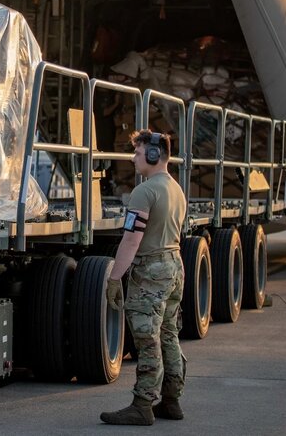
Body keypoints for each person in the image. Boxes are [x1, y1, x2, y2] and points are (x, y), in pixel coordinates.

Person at [100, 130, 187, 426]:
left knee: (147, 340)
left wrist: (115, 277)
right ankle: (171, 400)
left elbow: (131, 240)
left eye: (137, 152)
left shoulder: (145, 191)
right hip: (174, 265)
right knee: (168, 334)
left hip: (150, 270)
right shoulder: (176, 189)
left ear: (153, 155)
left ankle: (142, 404)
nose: (133, 158)